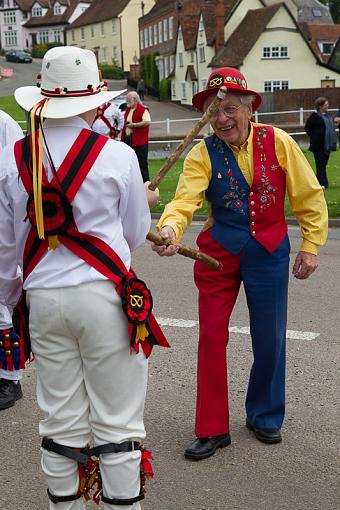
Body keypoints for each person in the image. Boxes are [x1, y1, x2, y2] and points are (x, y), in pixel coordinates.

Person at [0, 46, 169, 508]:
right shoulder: (116, 156)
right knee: (116, 422)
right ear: (95, 101)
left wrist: (12, 299)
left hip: (42, 300)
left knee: (59, 420)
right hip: (102, 298)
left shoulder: (16, 158)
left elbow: (7, 247)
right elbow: (133, 234)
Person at [152, 67, 328, 460]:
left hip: (268, 251)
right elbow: (184, 201)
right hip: (217, 255)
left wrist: (311, 245)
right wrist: (170, 229)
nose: (222, 119)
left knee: (270, 337)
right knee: (211, 337)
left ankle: (264, 414)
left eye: (230, 108)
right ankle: (212, 428)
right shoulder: (203, 153)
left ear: (250, 109)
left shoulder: (278, 141)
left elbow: (309, 195)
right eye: (214, 112)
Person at [0, 109, 24, 410]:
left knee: (2, 311)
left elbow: (14, 178)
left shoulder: (4, 124)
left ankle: (10, 378)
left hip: (2, 220)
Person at [305, 97, 337, 188]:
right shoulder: (314, 116)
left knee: (323, 164)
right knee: (320, 164)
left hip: (328, 144)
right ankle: (323, 183)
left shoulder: (329, 116)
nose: (327, 106)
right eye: (325, 104)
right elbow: (307, 128)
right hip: (318, 145)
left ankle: (316, 181)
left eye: (327, 104)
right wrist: (316, 136)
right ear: (320, 106)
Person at [121, 91, 151, 183]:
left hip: (139, 141)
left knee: (142, 163)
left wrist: (134, 125)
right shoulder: (128, 110)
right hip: (129, 139)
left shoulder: (143, 110)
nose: (127, 101)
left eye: (129, 100)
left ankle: (145, 183)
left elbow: (147, 122)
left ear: (134, 99)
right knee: (129, 163)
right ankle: (133, 182)